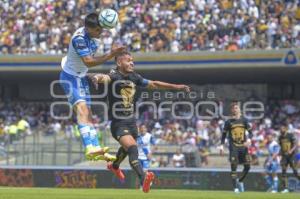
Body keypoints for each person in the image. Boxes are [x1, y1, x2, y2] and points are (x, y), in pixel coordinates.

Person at [89, 51, 190, 193]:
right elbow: (104, 78)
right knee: (132, 148)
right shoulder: (114, 75)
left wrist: (177, 87)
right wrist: (96, 77)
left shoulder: (135, 77)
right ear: (119, 63)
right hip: (118, 123)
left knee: (126, 149)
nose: (132, 63)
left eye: (133, 61)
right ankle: (143, 179)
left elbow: (154, 84)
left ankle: (114, 166)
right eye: (128, 60)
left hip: (132, 122)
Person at [59, 13, 124, 161]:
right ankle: (89, 148)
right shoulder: (79, 39)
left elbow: (84, 66)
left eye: (101, 29)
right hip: (70, 77)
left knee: (88, 114)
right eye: (97, 30)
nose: (100, 33)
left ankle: (97, 149)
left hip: (81, 77)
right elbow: (88, 61)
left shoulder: (94, 37)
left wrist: (89, 75)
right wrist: (111, 54)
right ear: (88, 28)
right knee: (82, 110)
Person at [219, 102, 252, 193]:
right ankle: (235, 188)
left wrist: (249, 140)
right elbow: (223, 135)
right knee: (234, 167)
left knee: (248, 166)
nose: (235, 109)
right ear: (231, 110)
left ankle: (240, 181)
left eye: (236, 108)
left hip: (243, 147)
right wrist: (221, 146)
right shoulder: (228, 122)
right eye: (233, 108)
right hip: (233, 147)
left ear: (239, 109)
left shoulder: (244, 120)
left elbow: (251, 132)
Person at [278, 123, 300, 193]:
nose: (281, 130)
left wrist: (291, 150)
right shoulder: (280, 137)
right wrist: (280, 153)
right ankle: (285, 188)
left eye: (282, 129)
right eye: (280, 129)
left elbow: (295, 144)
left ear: (285, 129)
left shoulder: (290, 135)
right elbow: (281, 146)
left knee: (295, 171)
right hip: (284, 156)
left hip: (292, 155)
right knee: (283, 171)